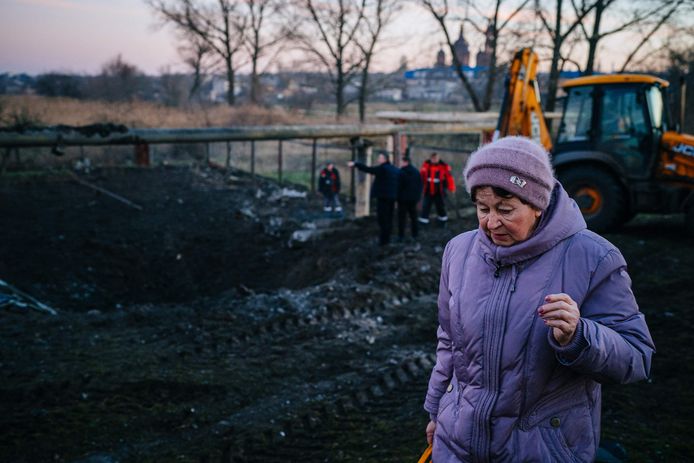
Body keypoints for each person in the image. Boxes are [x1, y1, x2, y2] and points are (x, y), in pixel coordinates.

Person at [423, 136, 654, 462]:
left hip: (542, 450)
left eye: (505, 210)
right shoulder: (459, 251)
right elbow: (449, 342)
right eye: (482, 208)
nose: (490, 223)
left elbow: (637, 357)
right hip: (458, 446)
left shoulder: (593, 257)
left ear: (537, 205)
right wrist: (436, 411)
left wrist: (579, 336)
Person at [348, 153, 400, 246]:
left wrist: (356, 164)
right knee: (389, 218)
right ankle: (387, 239)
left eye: (380, 157)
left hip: (383, 197)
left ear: (385, 159)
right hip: (392, 197)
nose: (378, 159)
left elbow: (369, 169)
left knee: (382, 219)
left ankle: (383, 241)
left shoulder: (383, 169)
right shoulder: (395, 169)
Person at [419, 152, 456, 227]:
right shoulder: (426, 165)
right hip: (428, 190)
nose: (434, 160)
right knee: (425, 206)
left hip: (439, 191)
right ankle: (423, 222)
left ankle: (442, 222)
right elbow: (421, 176)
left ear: (438, 158)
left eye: (435, 158)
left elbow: (449, 178)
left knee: (440, 207)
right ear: (430, 158)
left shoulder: (444, 166)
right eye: (433, 158)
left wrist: (451, 188)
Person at [397, 155, 423, 241]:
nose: (400, 163)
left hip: (403, 199)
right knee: (413, 217)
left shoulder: (401, 172)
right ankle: (415, 234)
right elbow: (420, 185)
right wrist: (417, 197)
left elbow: (398, 186)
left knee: (402, 218)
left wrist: (397, 197)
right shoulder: (416, 172)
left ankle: (401, 236)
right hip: (413, 199)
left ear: (406, 162)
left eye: (401, 162)